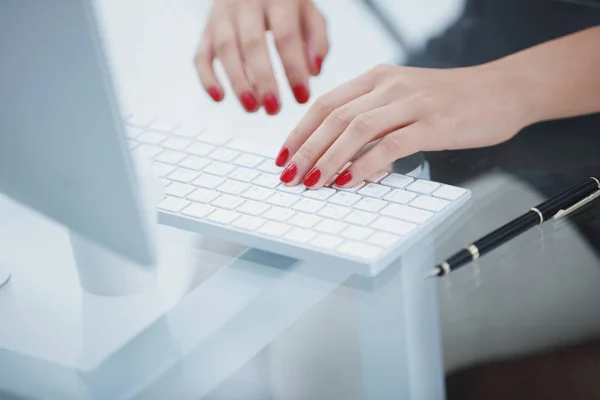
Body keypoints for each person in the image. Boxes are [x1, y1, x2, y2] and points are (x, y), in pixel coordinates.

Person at [194, 0, 600, 190]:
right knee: (238, 241)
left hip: (571, 103)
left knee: (321, 344)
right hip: (466, 59)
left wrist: (507, 87)